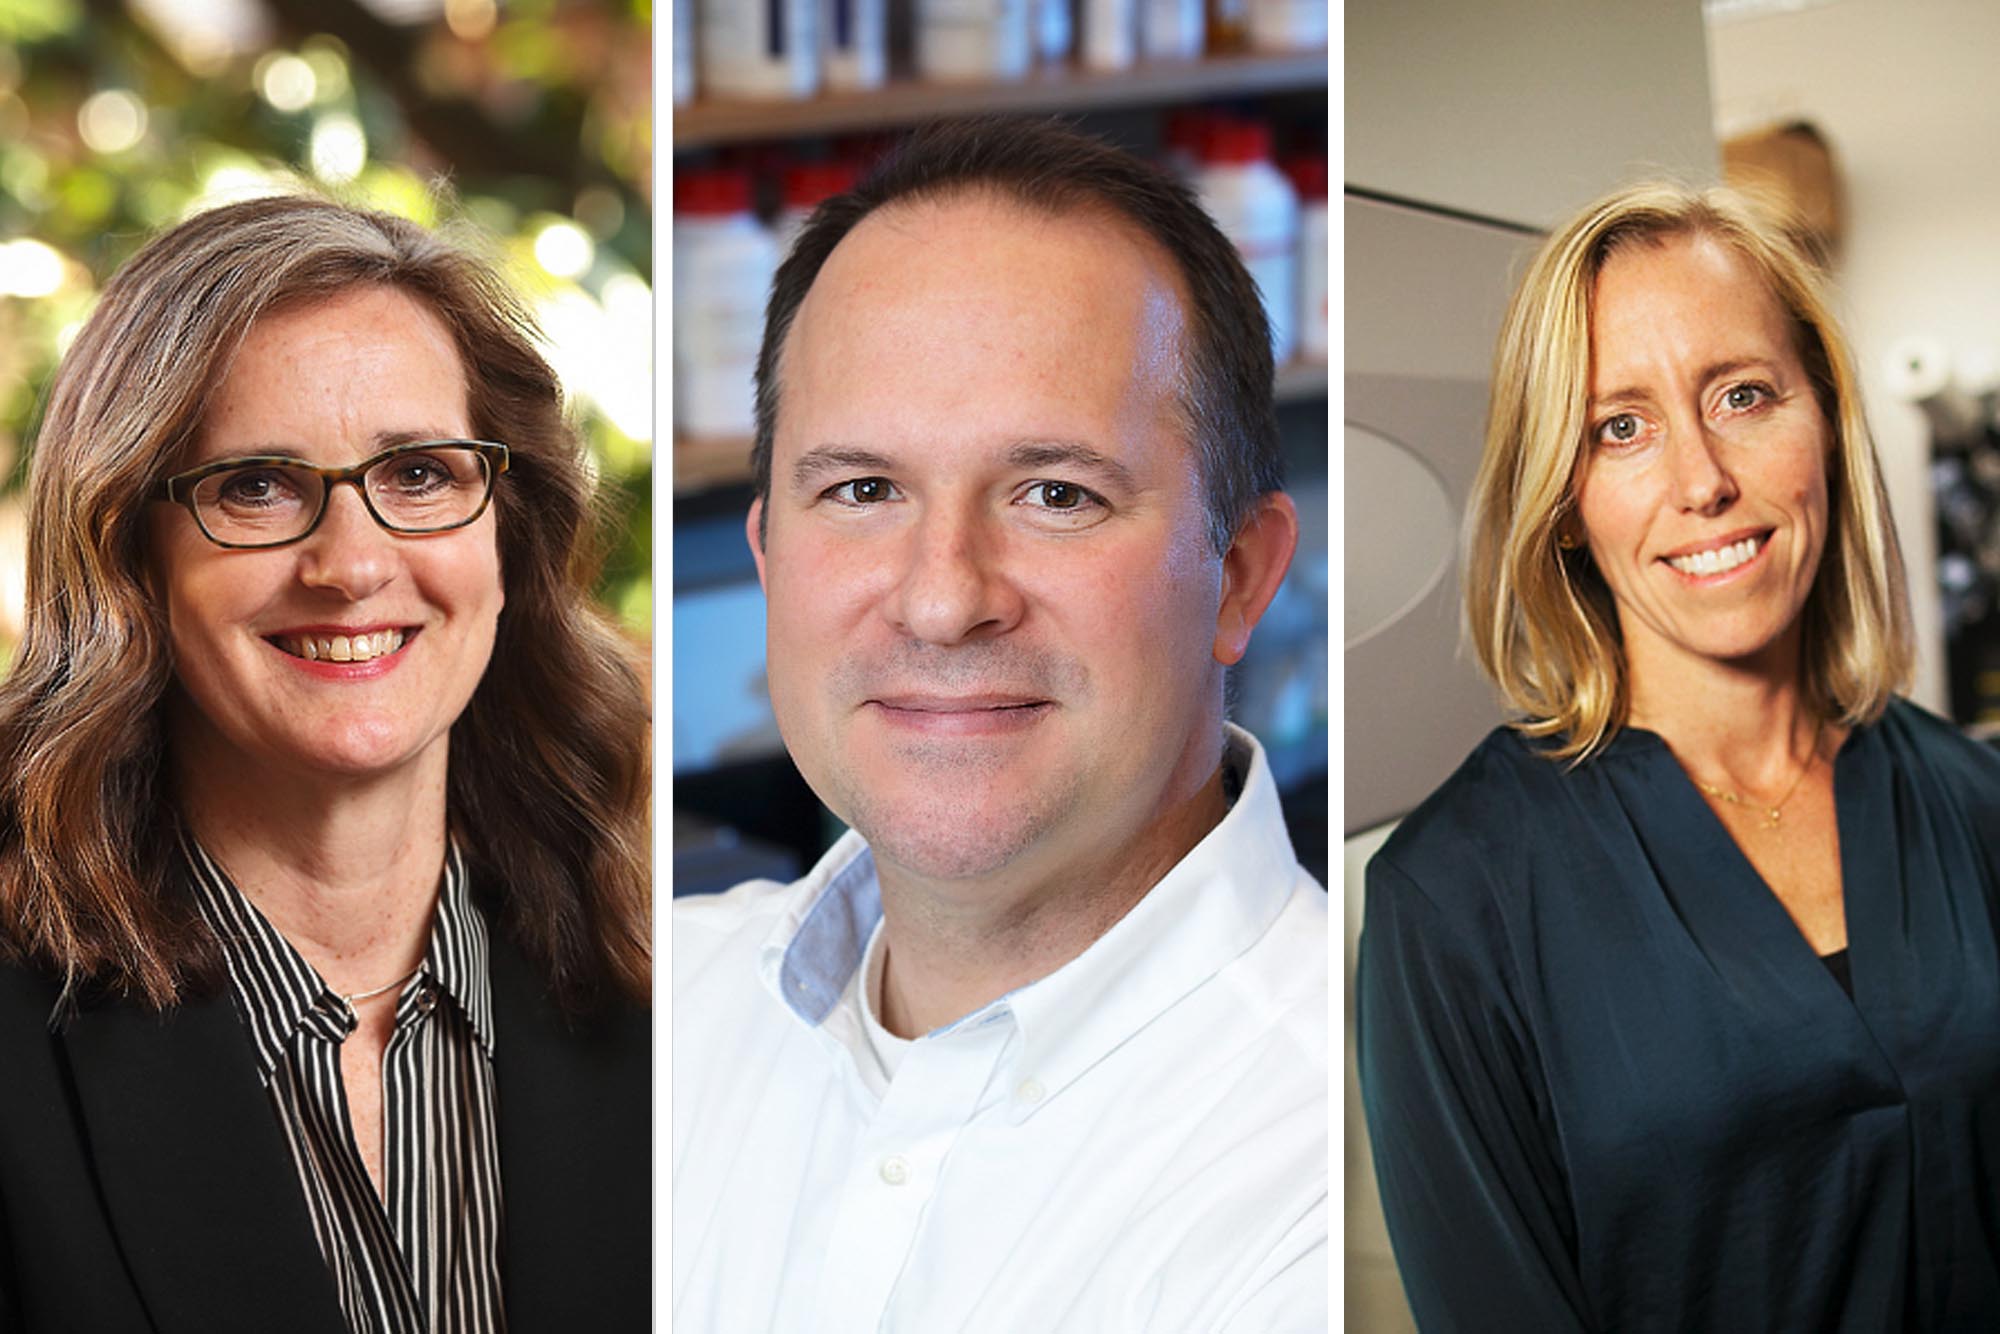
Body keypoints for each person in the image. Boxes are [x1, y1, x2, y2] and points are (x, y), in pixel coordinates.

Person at [672, 119, 1326, 1331]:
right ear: (770, 559)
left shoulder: (1331, 1142)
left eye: (1054, 494)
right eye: (861, 490)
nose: (941, 594)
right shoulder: (650, 1012)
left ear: (1237, 575)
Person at [1357, 180, 2000, 1332]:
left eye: (1743, 395)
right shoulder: (1456, 900)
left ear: (1824, 420)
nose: (1700, 478)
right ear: (1562, 500)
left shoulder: (1976, 804)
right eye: (1620, 426)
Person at [0, 195, 651, 1332]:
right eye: (255, 484)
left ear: (508, 532)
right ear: (128, 556)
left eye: (419, 475)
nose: (350, 564)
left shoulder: (670, 984)